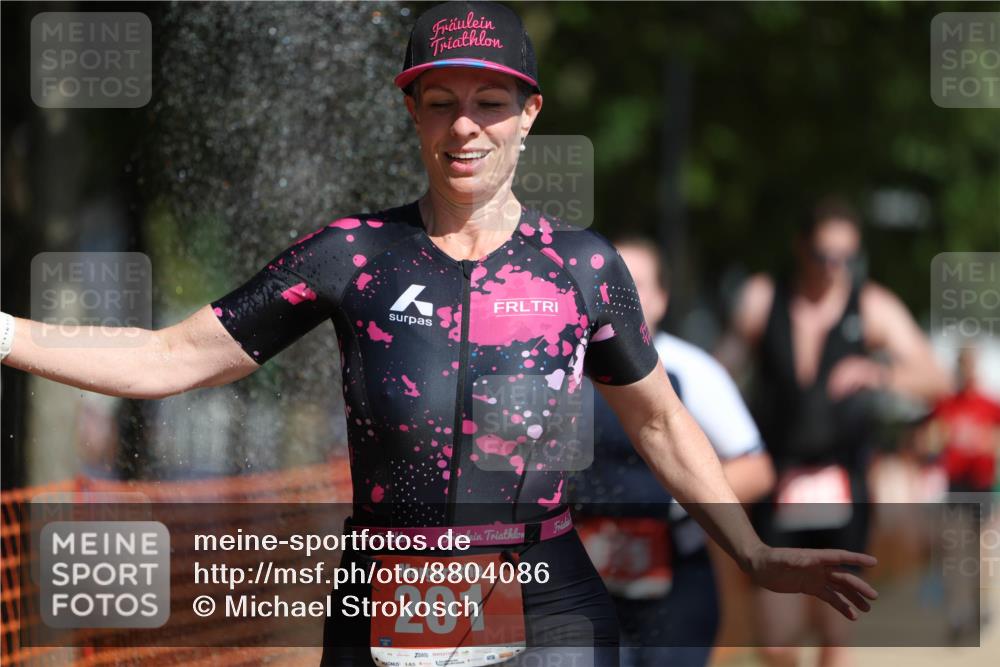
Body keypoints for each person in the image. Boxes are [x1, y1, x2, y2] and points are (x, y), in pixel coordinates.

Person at [1, 4, 879, 666]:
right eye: (441, 101)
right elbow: (169, 357)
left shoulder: (580, 267)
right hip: (384, 587)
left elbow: (657, 422)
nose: (466, 126)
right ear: (413, 114)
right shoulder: (350, 255)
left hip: (548, 599)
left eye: (491, 102)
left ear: (529, 113)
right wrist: (6, 333)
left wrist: (753, 550)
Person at [718, 196, 951, 667]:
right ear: (801, 248)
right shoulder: (764, 299)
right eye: (825, 256)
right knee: (776, 639)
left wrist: (880, 374)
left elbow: (935, 380)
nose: (834, 269)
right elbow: (718, 374)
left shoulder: (871, 305)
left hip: (844, 486)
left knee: (835, 634)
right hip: (778, 479)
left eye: (847, 258)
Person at [570, 235, 774, 667]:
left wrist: (669, 504)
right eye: (608, 280)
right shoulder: (564, 367)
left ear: (661, 299)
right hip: (586, 584)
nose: (618, 293)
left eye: (634, 283)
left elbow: (757, 469)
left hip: (676, 585)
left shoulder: (693, 371)